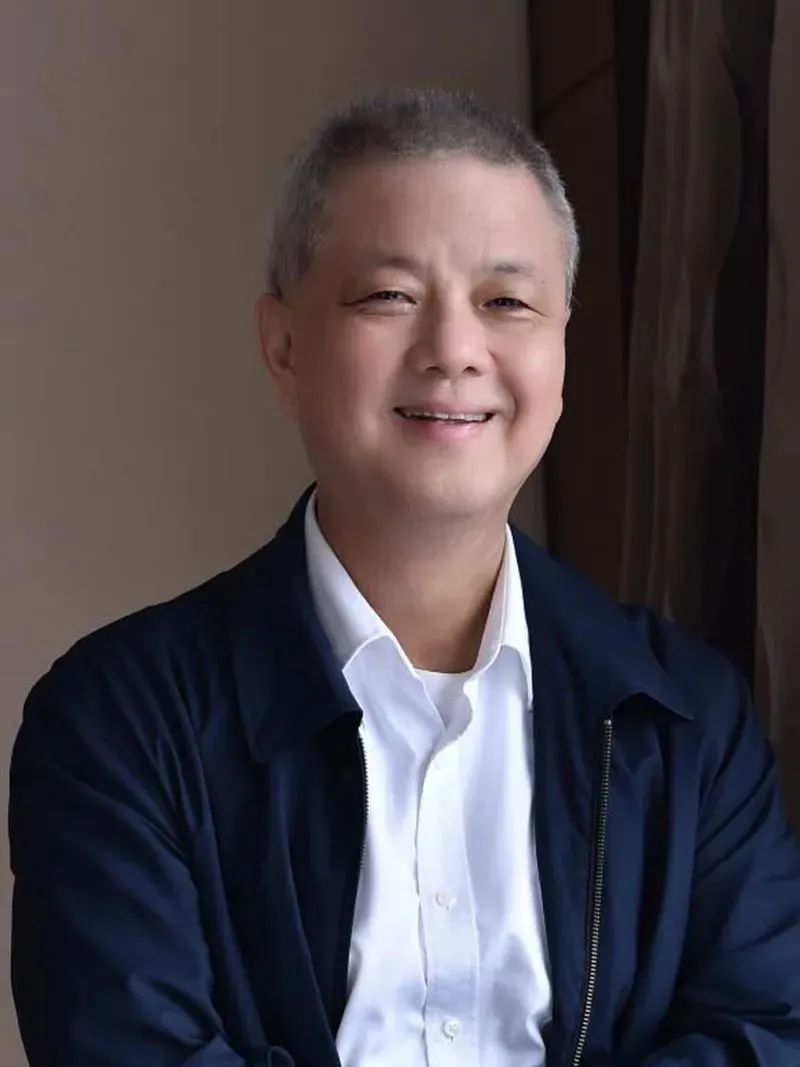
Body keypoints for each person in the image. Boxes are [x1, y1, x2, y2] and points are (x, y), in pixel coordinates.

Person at [8, 88, 800, 1067]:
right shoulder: (122, 720)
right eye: (389, 296)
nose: (454, 352)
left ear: (561, 351)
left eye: (506, 302)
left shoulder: (686, 717)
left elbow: (764, 1034)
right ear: (284, 346)